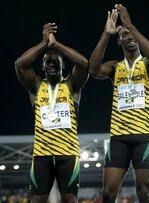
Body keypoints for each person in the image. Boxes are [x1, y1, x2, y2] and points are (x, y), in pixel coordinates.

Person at [89, 4, 149, 203]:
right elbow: (94, 70)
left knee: (144, 192)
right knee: (107, 193)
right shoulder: (115, 67)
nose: (128, 36)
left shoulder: (148, 64)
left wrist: (129, 25)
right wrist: (106, 34)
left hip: (145, 134)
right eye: (124, 35)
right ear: (119, 41)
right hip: (119, 136)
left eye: (131, 34)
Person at [14, 23, 89, 203]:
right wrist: (43, 43)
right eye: (47, 61)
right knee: (37, 201)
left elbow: (84, 64)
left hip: (68, 155)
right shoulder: (36, 86)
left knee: (70, 200)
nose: (51, 63)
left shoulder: (71, 86)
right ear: (42, 66)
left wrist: (56, 46)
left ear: (63, 65)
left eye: (56, 61)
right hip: (41, 156)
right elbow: (19, 64)